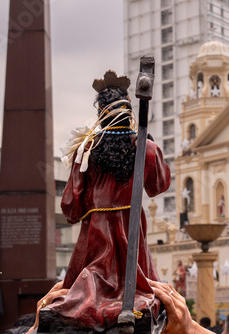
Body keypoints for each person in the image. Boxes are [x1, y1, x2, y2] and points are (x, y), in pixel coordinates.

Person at [28, 70, 171, 332]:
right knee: (137, 281)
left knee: (91, 279)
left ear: (101, 115)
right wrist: (150, 148)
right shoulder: (145, 148)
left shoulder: (86, 151)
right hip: (131, 227)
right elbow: (159, 186)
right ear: (128, 112)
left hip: (94, 233)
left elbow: (71, 205)